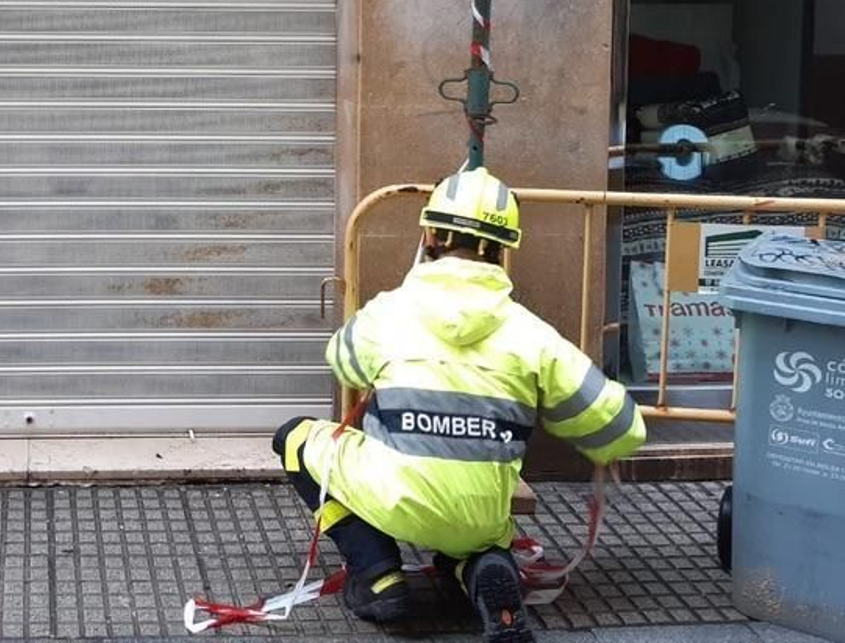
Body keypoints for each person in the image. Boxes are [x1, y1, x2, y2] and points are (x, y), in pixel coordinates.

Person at [272, 168, 645, 643]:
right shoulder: (530, 332)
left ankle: (377, 573)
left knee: (294, 437)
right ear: (506, 248)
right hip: (481, 517)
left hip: (393, 499)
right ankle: (482, 568)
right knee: (478, 539)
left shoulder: (391, 311)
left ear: (428, 234)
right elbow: (620, 426)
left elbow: (342, 361)